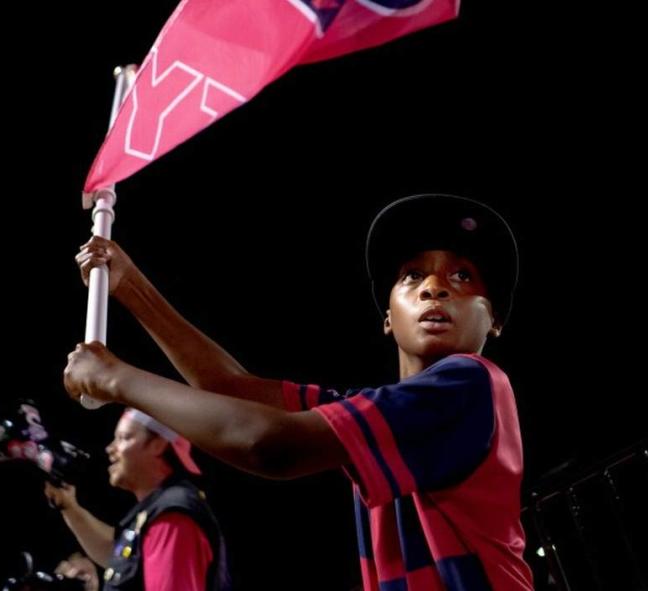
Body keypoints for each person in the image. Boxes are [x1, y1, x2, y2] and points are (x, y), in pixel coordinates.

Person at [64, 193, 533, 589]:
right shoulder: (380, 412)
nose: (435, 288)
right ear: (388, 317)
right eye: (412, 275)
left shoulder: (471, 382)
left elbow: (271, 445)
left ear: (493, 321)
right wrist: (131, 286)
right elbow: (230, 388)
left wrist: (115, 379)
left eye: (462, 277)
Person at [45, 409, 228, 591]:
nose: (110, 449)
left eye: (123, 438)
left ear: (158, 444)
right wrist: (68, 506)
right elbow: (116, 556)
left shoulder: (171, 515)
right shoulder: (155, 510)